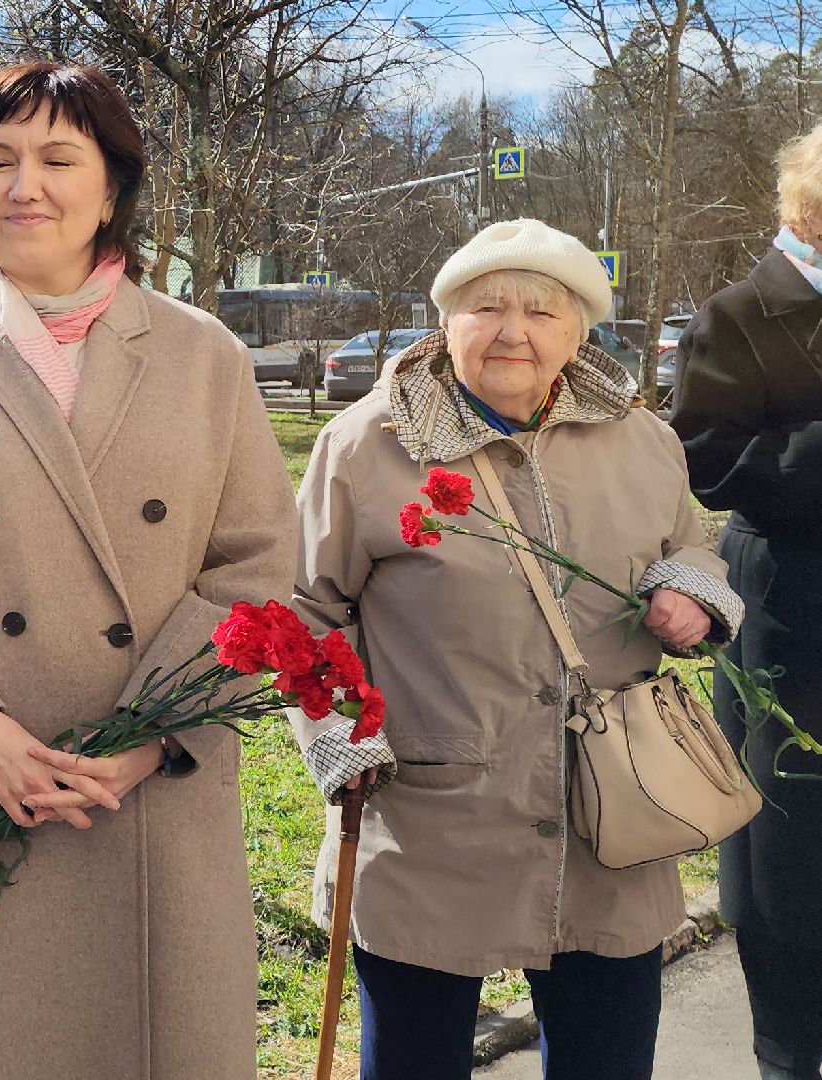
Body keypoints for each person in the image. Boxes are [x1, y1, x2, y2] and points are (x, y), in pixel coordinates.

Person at [0, 61, 296, 1080]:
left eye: (57, 157)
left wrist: (152, 736)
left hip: (154, 808)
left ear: (112, 189)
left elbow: (253, 566)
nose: (23, 184)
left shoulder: (205, 356)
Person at [291, 218, 744, 1080]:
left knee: (608, 1058)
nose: (512, 332)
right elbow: (309, 613)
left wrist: (691, 591)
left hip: (611, 812)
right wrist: (338, 737)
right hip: (430, 813)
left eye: (541, 312)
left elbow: (691, 544)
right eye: (486, 307)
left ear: (578, 331)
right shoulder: (365, 445)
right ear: (446, 322)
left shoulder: (641, 440)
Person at [672, 122, 822, 1080]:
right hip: (794, 622)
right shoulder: (740, 312)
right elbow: (706, 459)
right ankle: (792, 1055)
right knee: (789, 859)